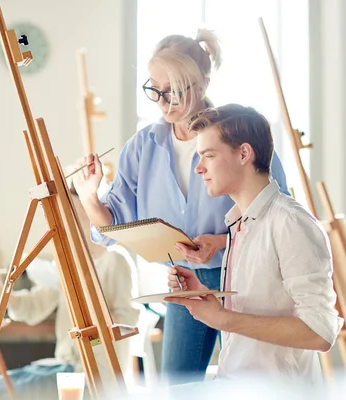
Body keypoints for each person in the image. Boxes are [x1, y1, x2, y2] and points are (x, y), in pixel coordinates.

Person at [73, 31, 290, 384]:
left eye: (174, 89)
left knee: (247, 384)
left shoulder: (240, 135)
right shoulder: (144, 146)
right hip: (183, 283)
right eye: (154, 89)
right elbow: (112, 226)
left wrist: (219, 244)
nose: (163, 101)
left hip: (243, 280)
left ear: (203, 82)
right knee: (177, 387)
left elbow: (277, 212)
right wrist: (89, 197)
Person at [165, 104, 343, 383]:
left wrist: (222, 318)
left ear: (244, 153)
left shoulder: (290, 223)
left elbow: (319, 332)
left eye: (208, 156)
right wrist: (205, 295)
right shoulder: (239, 223)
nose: (199, 169)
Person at [0, 181, 140, 399]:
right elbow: (33, 309)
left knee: (10, 391)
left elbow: (126, 322)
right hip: (66, 369)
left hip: (98, 373)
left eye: (74, 214)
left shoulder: (115, 260)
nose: (66, 222)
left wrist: (83, 299)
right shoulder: (68, 263)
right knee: (3, 385)